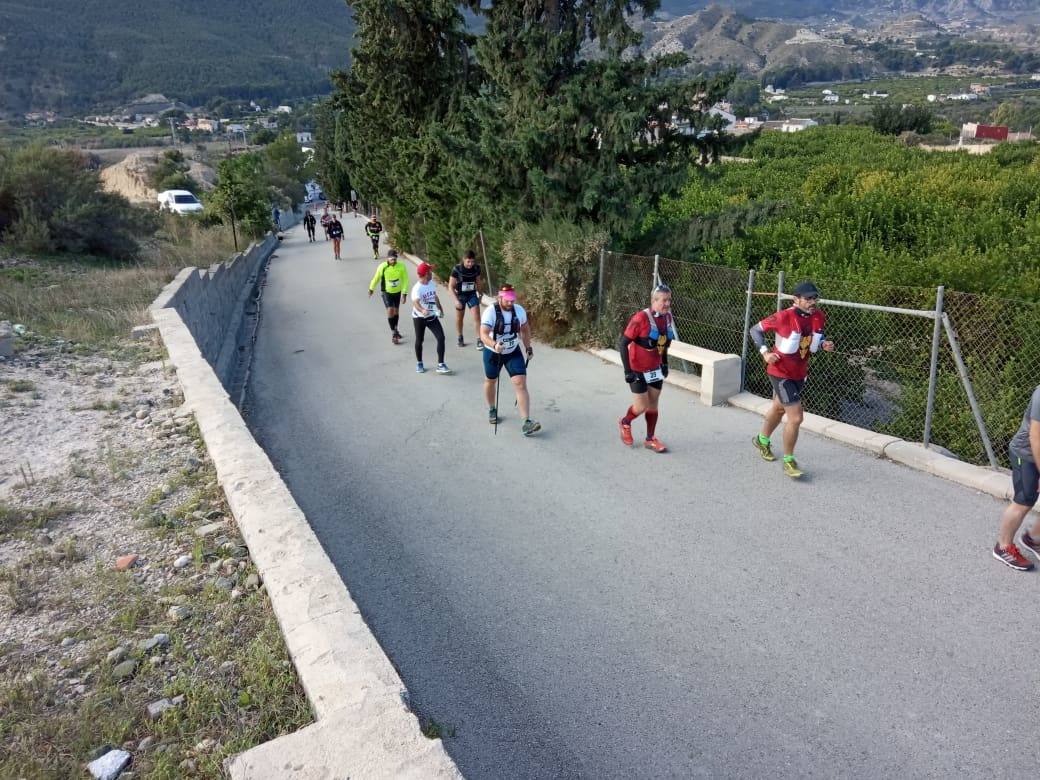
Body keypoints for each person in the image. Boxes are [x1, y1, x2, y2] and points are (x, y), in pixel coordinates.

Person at [748, 280, 834, 478]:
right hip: (780, 373)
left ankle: (761, 440)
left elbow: (815, 338)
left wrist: (823, 345)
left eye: (815, 298)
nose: (812, 302)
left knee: (778, 408)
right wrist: (765, 353)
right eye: (808, 299)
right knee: (795, 417)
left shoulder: (819, 316)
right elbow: (755, 330)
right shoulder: (784, 316)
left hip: (800, 373)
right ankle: (789, 461)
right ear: (796, 300)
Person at [617, 284, 675, 454]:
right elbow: (623, 344)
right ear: (654, 301)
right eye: (663, 300)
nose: (667, 304)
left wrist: (664, 363)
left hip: (655, 368)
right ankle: (625, 422)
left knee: (654, 404)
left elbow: (664, 343)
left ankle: (650, 439)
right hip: (637, 369)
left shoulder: (667, 318)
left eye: (669, 300)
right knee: (641, 406)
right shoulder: (640, 318)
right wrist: (627, 371)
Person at [480, 284, 540, 436]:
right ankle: (492, 408)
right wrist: (494, 344)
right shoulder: (490, 312)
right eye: (507, 300)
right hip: (493, 353)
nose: (510, 303)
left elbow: (525, 330)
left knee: (520, 383)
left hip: (513, 351)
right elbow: (483, 334)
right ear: (499, 297)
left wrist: (528, 347)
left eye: (512, 300)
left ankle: (526, 422)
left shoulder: (519, 311)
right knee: (491, 381)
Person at [991, 384, 1040, 571]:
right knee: (1025, 500)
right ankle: (1003, 547)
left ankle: (1033, 539)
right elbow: (1036, 436)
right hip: (1026, 453)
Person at [410, 262, 451, 374]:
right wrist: (422, 310)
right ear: (425, 274)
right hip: (419, 318)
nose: (432, 273)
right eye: (430, 271)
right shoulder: (417, 289)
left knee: (441, 337)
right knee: (419, 340)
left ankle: (441, 364)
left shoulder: (431, 283)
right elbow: (415, 303)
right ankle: (419, 363)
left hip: (432, 316)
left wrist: (440, 308)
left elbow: (435, 296)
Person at [368, 249, 409, 344]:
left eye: (395, 259)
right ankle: (393, 333)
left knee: (396, 312)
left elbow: (405, 280)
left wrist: (404, 293)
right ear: (387, 258)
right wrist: (371, 289)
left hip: (397, 292)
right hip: (386, 292)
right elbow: (376, 278)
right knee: (390, 310)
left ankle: (395, 328)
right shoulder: (382, 267)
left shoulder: (401, 266)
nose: (393, 261)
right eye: (391, 259)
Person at [448, 250, 484, 349]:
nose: (470, 264)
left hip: (472, 294)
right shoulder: (457, 269)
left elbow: (478, 281)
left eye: (472, 262)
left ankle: (479, 339)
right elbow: (450, 286)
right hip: (461, 295)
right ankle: (460, 337)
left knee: (477, 316)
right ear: (464, 260)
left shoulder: (476, 268)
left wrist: (480, 294)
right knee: (460, 318)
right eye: (468, 261)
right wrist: (456, 301)